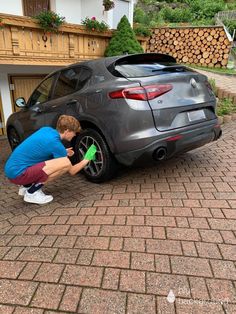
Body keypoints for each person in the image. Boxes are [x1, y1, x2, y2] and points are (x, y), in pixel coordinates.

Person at [4, 115, 96, 205]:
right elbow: (72, 171)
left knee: (56, 160)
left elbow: (41, 149)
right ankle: (32, 193)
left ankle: (26, 186)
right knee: (66, 163)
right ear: (67, 131)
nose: (75, 135)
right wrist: (87, 158)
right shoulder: (56, 144)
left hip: (11, 170)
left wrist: (63, 151)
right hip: (18, 174)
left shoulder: (46, 130)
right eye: (74, 132)